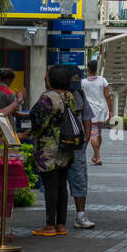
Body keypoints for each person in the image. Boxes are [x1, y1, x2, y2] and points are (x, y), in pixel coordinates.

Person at [28, 65, 77, 237]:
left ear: (51, 79)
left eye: (46, 75)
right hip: (66, 146)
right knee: (62, 186)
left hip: (48, 148)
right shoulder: (69, 97)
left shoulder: (47, 97)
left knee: (50, 187)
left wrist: (28, 134)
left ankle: (49, 226)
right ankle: (60, 225)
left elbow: (39, 122)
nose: (44, 77)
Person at [66, 66, 95, 230]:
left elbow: (87, 117)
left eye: (78, 78)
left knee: (79, 179)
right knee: (57, 182)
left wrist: (86, 138)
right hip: (60, 145)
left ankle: (80, 215)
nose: (76, 81)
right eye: (73, 78)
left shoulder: (79, 94)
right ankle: (55, 219)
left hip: (77, 145)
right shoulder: (55, 94)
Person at [82, 59, 112, 166]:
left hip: (90, 111)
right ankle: (95, 155)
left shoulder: (83, 83)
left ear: (88, 69)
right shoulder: (103, 80)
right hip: (102, 110)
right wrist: (110, 110)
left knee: (93, 135)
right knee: (99, 133)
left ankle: (98, 157)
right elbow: (107, 96)